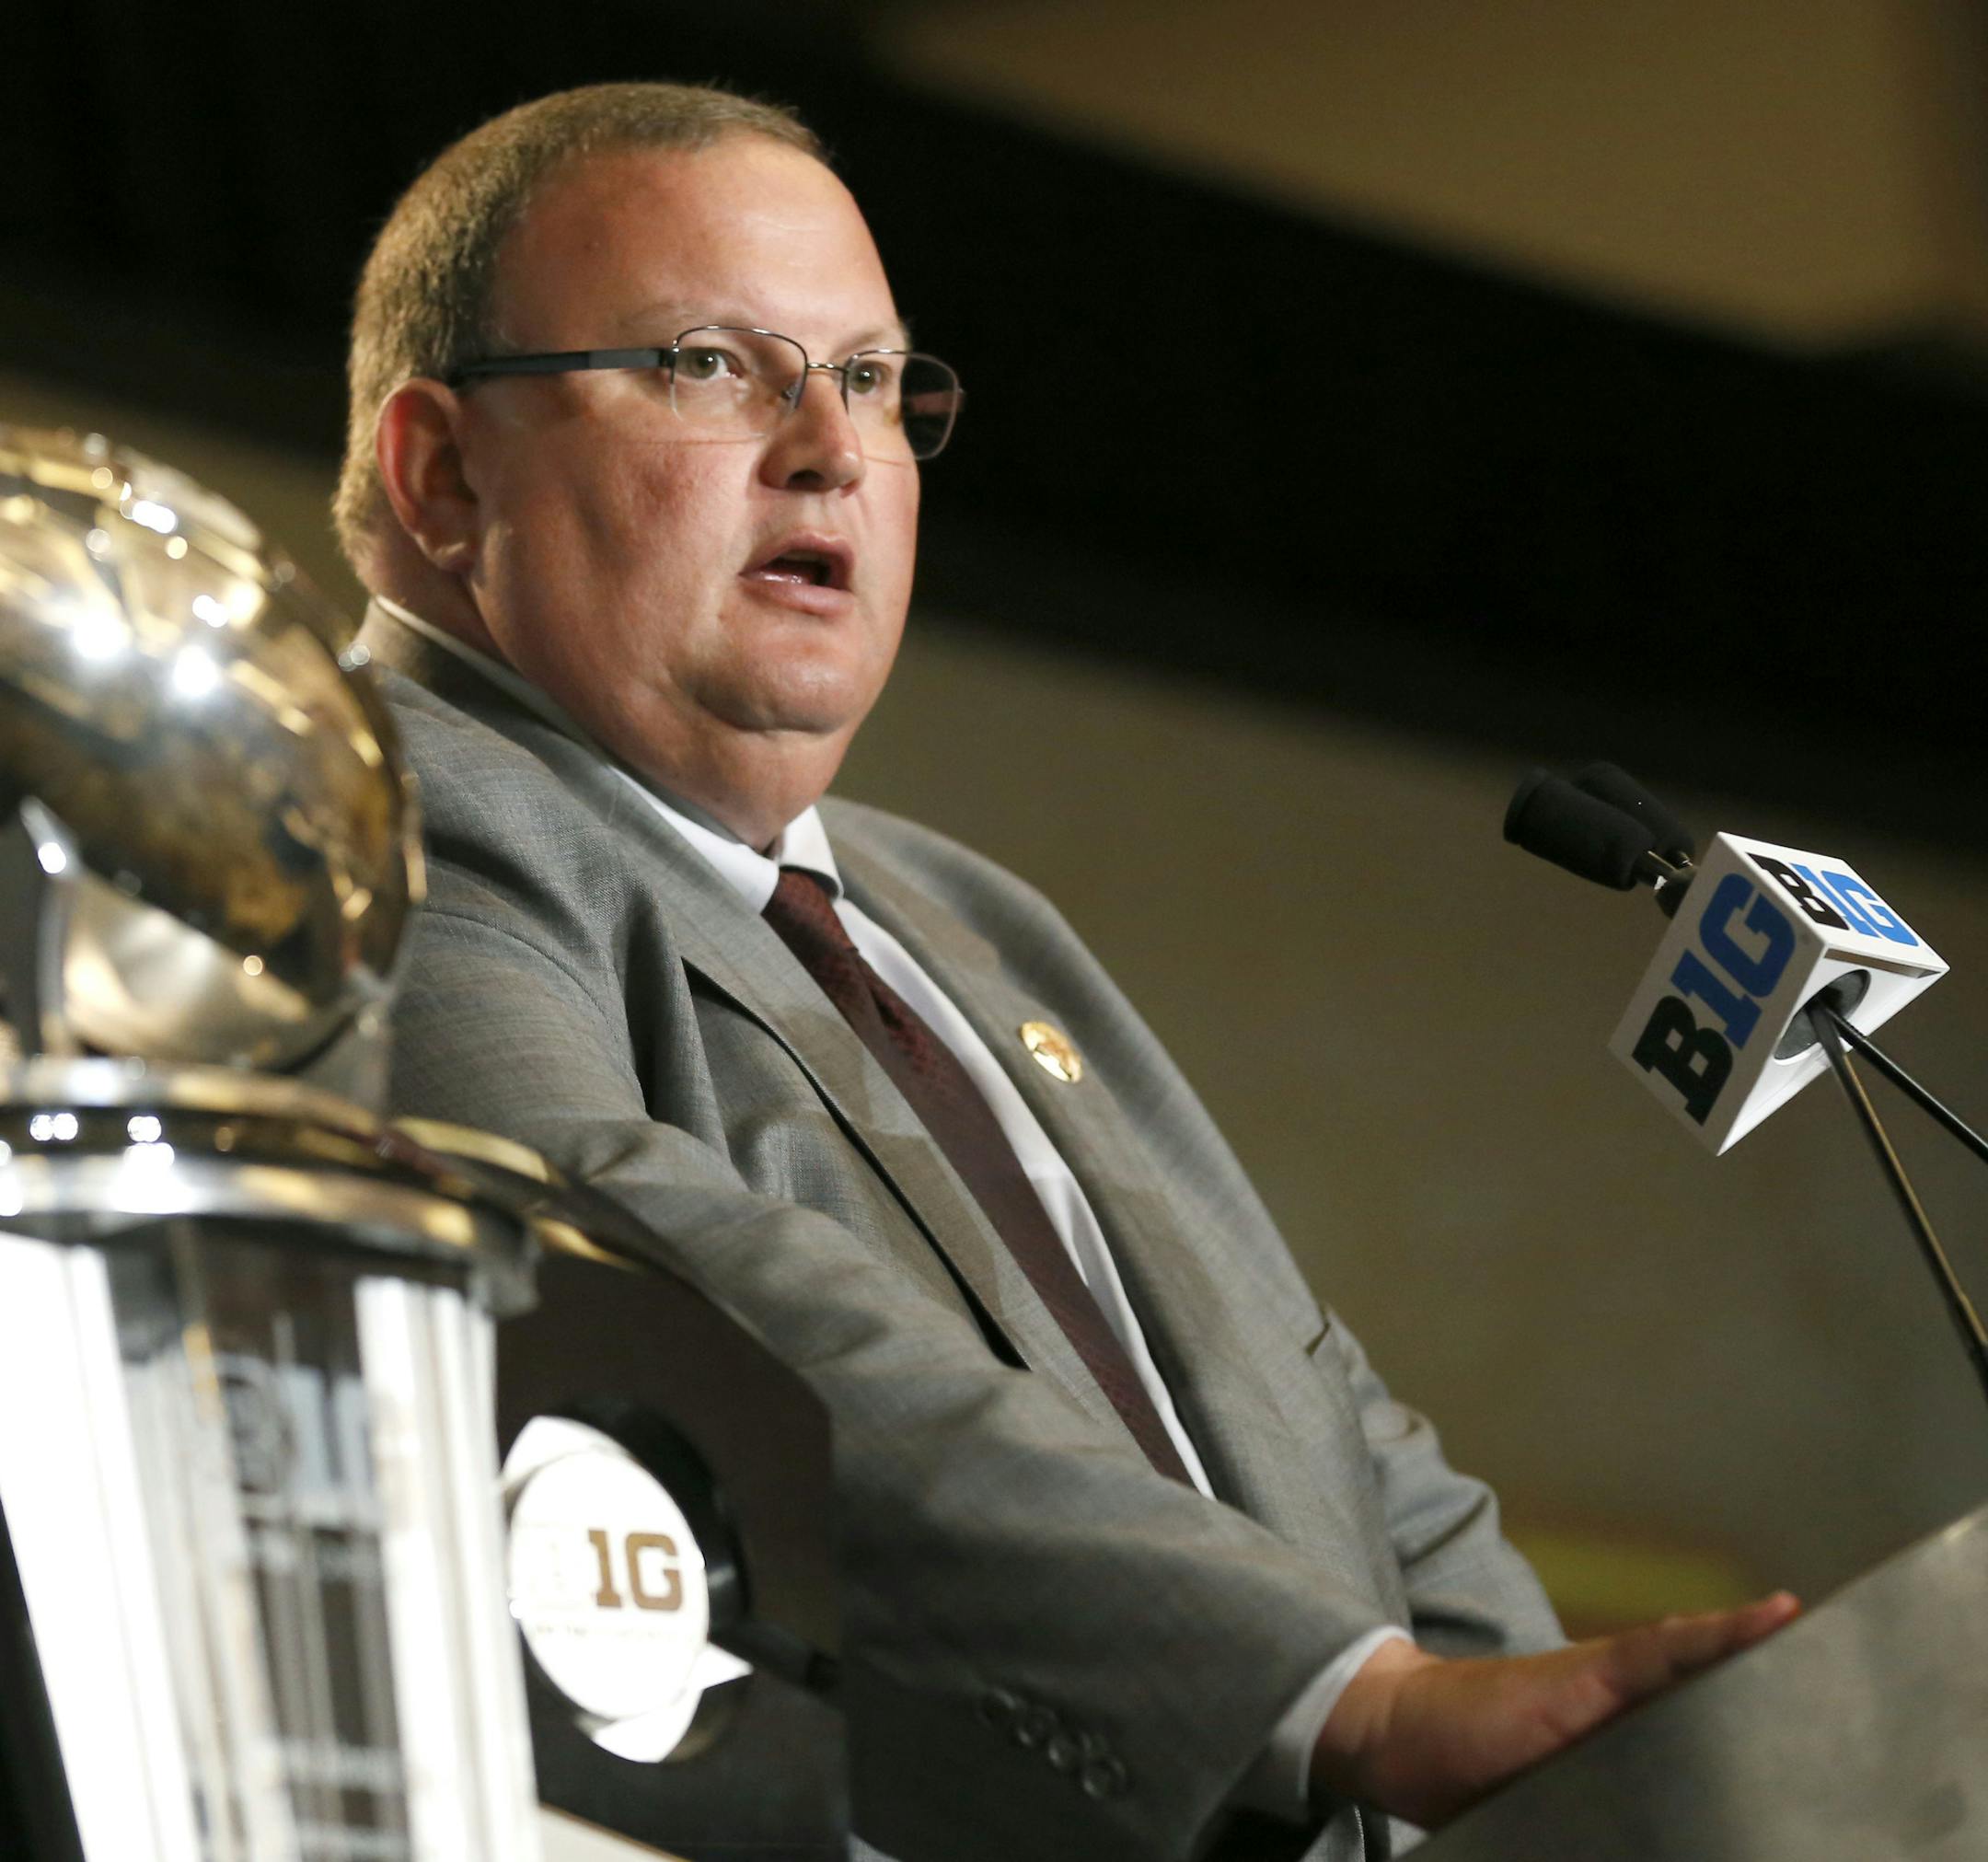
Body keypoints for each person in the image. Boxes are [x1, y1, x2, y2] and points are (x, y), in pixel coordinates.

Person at [334, 82, 1796, 1862]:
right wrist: (1358, 1704)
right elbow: (659, 1282)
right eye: (712, 365)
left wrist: (1586, 1784)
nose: (830, 450)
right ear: (441, 470)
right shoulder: (363, 807)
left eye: (871, 381)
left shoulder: (969, 919)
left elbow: (1315, 1402)